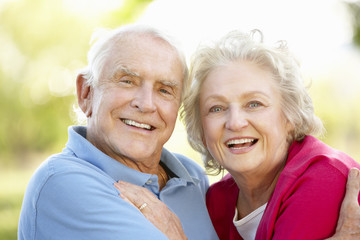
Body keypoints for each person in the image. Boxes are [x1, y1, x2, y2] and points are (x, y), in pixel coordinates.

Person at [115, 29, 360, 240]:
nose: (235, 122)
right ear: (201, 129)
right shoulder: (219, 200)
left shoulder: (324, 177)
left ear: (290, 115)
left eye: (254, 104)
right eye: (217, 108)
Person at [18, 24, 217, 240]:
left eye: (164, 90)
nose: (146, 104)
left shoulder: (192, 176)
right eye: (128, 81)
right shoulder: (61, 182)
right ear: (86, 93)